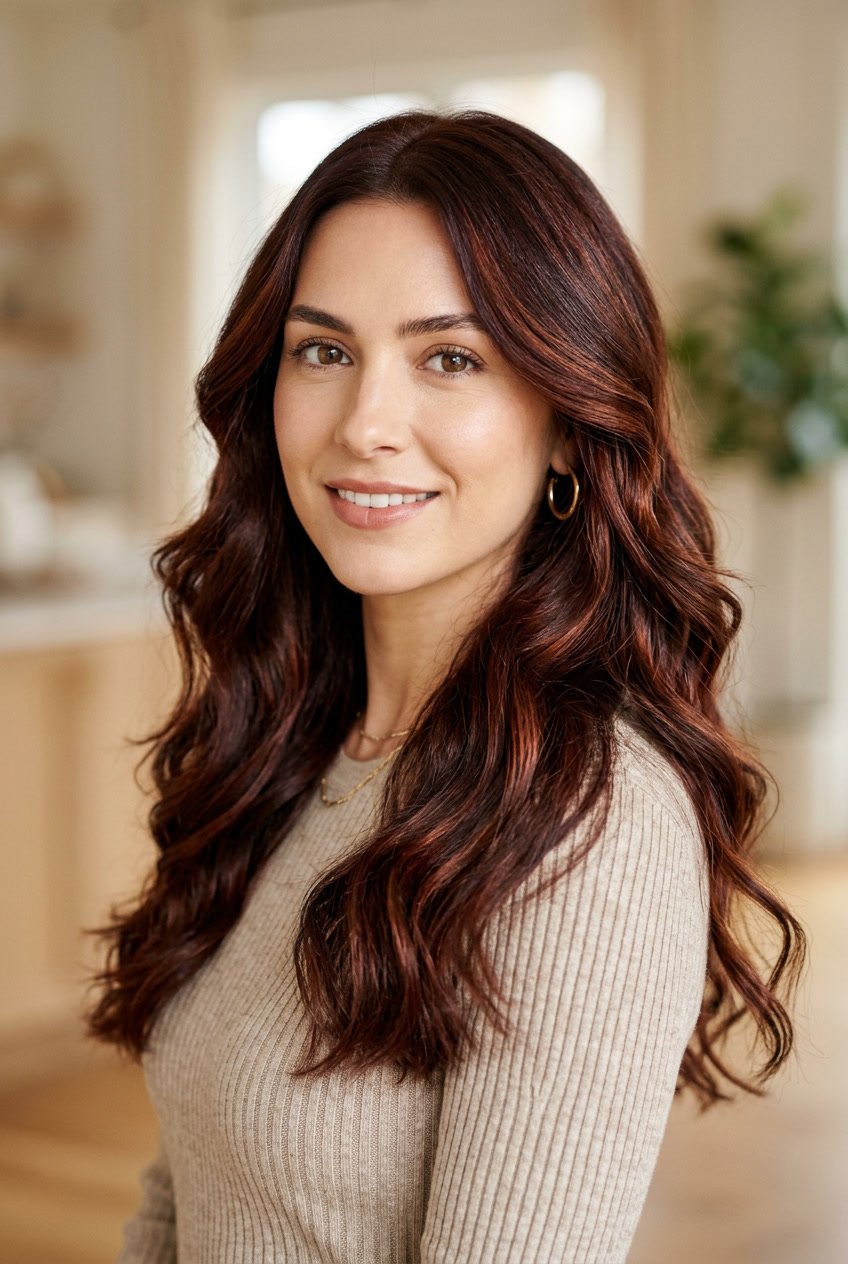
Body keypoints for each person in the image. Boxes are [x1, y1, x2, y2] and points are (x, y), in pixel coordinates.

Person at [86, 109, 805, 1263]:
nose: (366, 424)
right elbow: (185, 1203)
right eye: (322, 350)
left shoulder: (589, 821)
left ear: (569, 423)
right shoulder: (300, 744)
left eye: (450, 359)